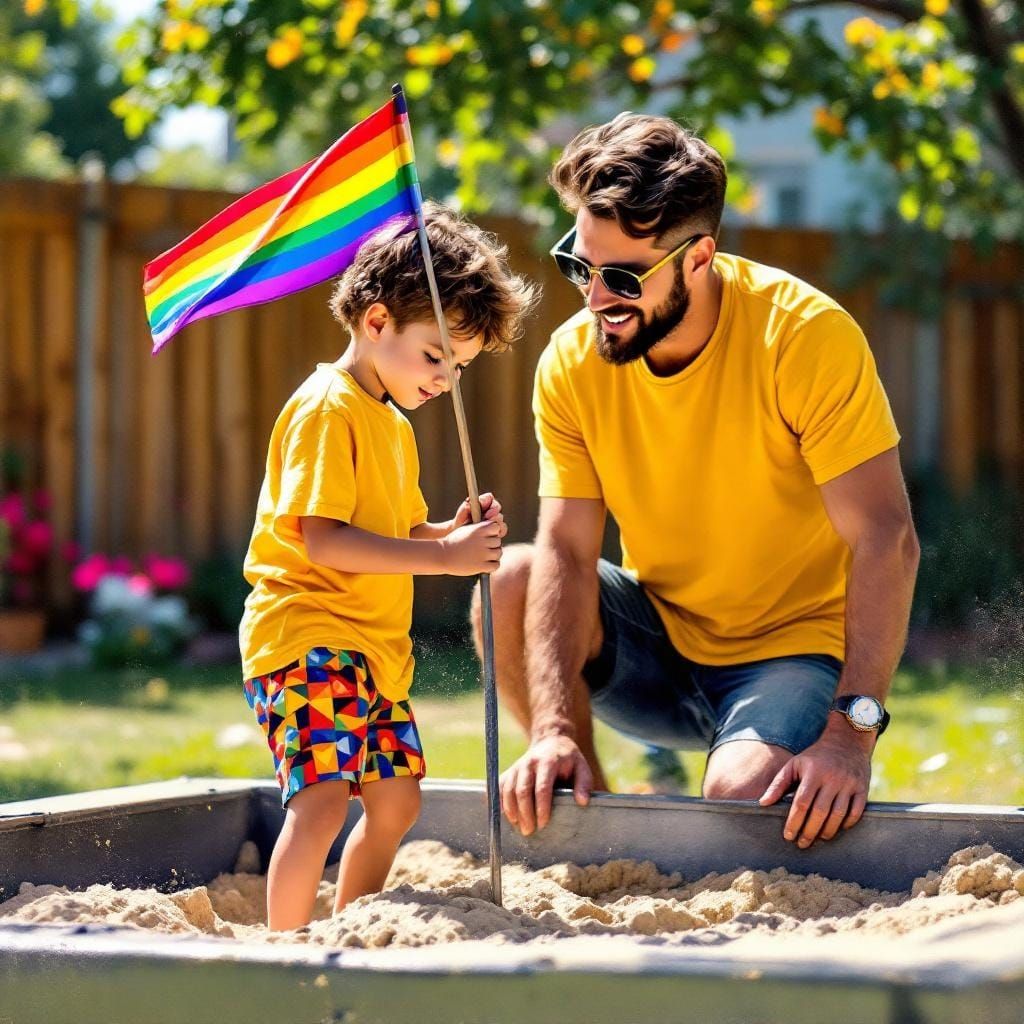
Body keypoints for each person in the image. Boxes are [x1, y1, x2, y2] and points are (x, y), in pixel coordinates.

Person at [477, 113, 920, 851]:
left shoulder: (804, 335)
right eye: (579, 266)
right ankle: (590, 813)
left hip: (793, 651)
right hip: (659, 639)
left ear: (698, 258)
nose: (594, 299)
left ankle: (770, 751)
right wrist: (553, 728)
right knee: (511, 578)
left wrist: (849, 738)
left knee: (741, 796)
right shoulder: (571, 362)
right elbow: (567, 547)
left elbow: (887, 538)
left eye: (621, 278)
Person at [240, 203, 537, 931]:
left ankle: (354, 926)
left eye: (458, 367)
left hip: (372, 653)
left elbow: (395, 529)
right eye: (436, 356)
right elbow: (326, 540)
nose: (446, 379)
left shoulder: (391, 423)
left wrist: (449, 532)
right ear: (375, 323)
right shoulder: (325, 408)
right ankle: (281, 951)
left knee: (398, 801)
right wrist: (441, 557)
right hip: (305, 637)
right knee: (323, 801)